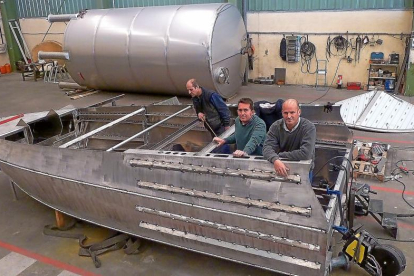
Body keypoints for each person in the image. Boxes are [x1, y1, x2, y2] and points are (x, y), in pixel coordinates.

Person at [263, 99, 316, 178]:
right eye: (285, 113)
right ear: (282, 113)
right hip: (280, 168)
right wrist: (275, 160)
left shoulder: (309, 127)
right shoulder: (276, 126)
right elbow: (266, 148)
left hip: (304, 171)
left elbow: (306, 154)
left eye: (292, 112)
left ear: (299, 112)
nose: (288, 116)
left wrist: (279, 155)